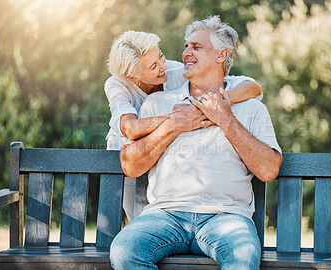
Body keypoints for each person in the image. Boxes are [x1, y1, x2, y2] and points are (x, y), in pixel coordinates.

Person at [110, 16, 282, 269]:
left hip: (227, 217)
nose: (185, 53)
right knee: (125, 252)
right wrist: (173, 125)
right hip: (165, 215)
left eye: (196, 47)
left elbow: (269, 170)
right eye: (186, 45)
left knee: (243, 258)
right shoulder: (158, 104)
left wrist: (226, 118)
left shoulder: (251, 109)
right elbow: (130, 166)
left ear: (221, 55)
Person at [105, 30, 263, 221]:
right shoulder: (117, 85)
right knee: (138, 218)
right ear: (133, 76)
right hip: (130, 155)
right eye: (153, 67)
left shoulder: (174, 71)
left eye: (161, 56)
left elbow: (252, 87)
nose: (163, 66)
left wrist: (217, 102)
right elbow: (130, 128)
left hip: (165, 151)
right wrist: (178, 119)